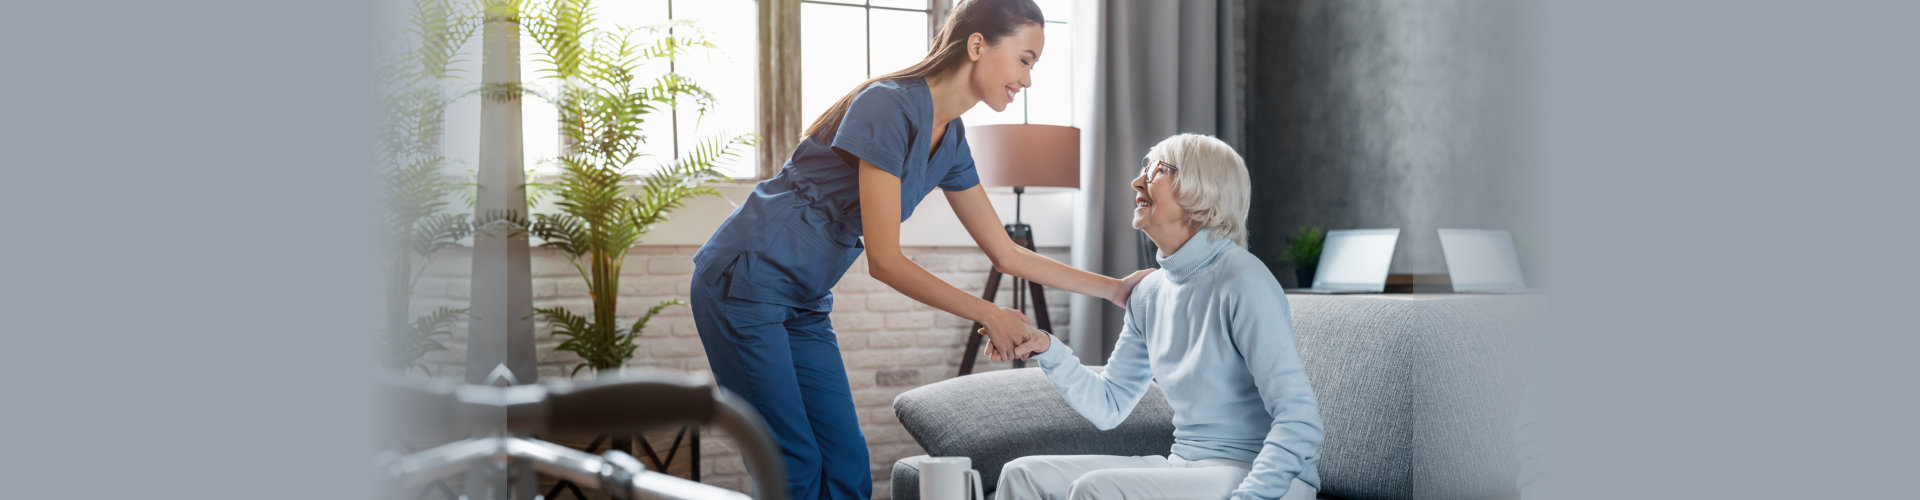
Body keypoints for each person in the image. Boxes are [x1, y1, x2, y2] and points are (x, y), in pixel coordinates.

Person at [690, 1, 1151, 498]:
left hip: (803, 299)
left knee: (846, 463)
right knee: (793, 464)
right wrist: (988, 312)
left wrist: (1117, 289)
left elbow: (1008, 254)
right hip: (745, 280)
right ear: (977, 45)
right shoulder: (888, 104)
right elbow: (885, 261)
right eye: (1025, 59)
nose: (1028, 79)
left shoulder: (950, 140)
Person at [993, 134, 1324, 500]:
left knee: (1095, 489)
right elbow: (1109, 405)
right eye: (1143, 170)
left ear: (1203, 190)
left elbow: (1300, 419)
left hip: (1263, 476)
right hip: (1183, 466)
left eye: (1157, 171)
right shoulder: (1149, 293)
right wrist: (1048, 350)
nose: (1137, 182)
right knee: (1021, 474)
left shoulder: (1244, 279)